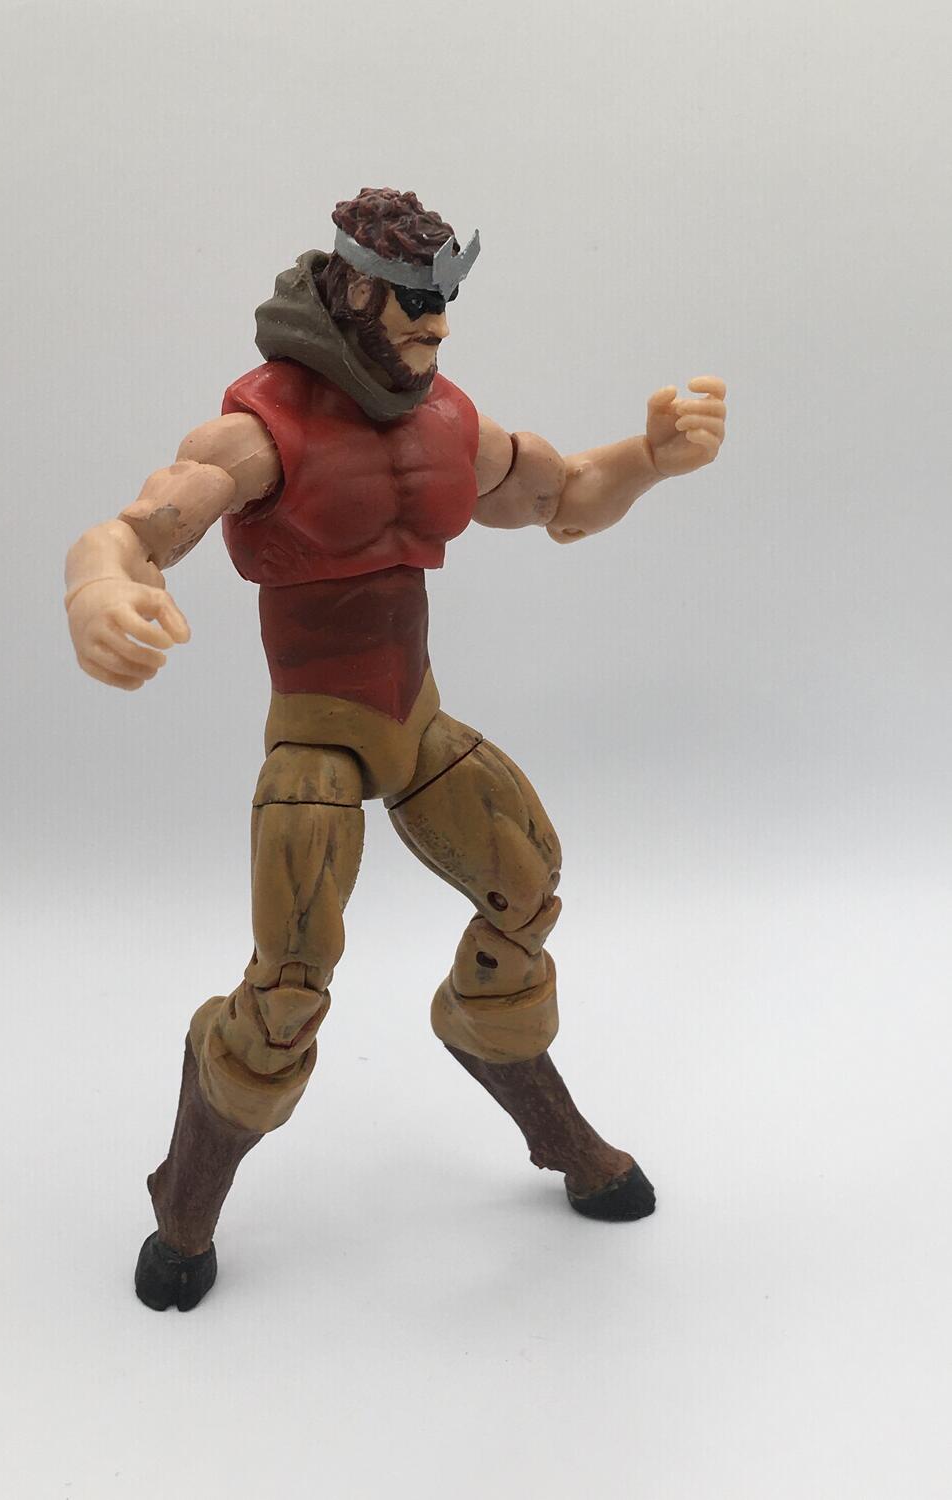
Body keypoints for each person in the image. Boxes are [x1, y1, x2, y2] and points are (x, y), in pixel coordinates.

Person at [63, 187, 728, 1311]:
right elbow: (136, 531)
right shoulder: (260, 433)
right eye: (415, 300)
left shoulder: (447, 422)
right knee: (285, 995)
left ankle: (528, 1096)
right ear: (351, 291)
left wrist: (651, 457)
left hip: (418, 728)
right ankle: (185, 1211)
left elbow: (564, 497)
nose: (438, 324)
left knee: (526, 895)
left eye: (445, 298)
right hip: (315, 749)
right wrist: (97, 590)